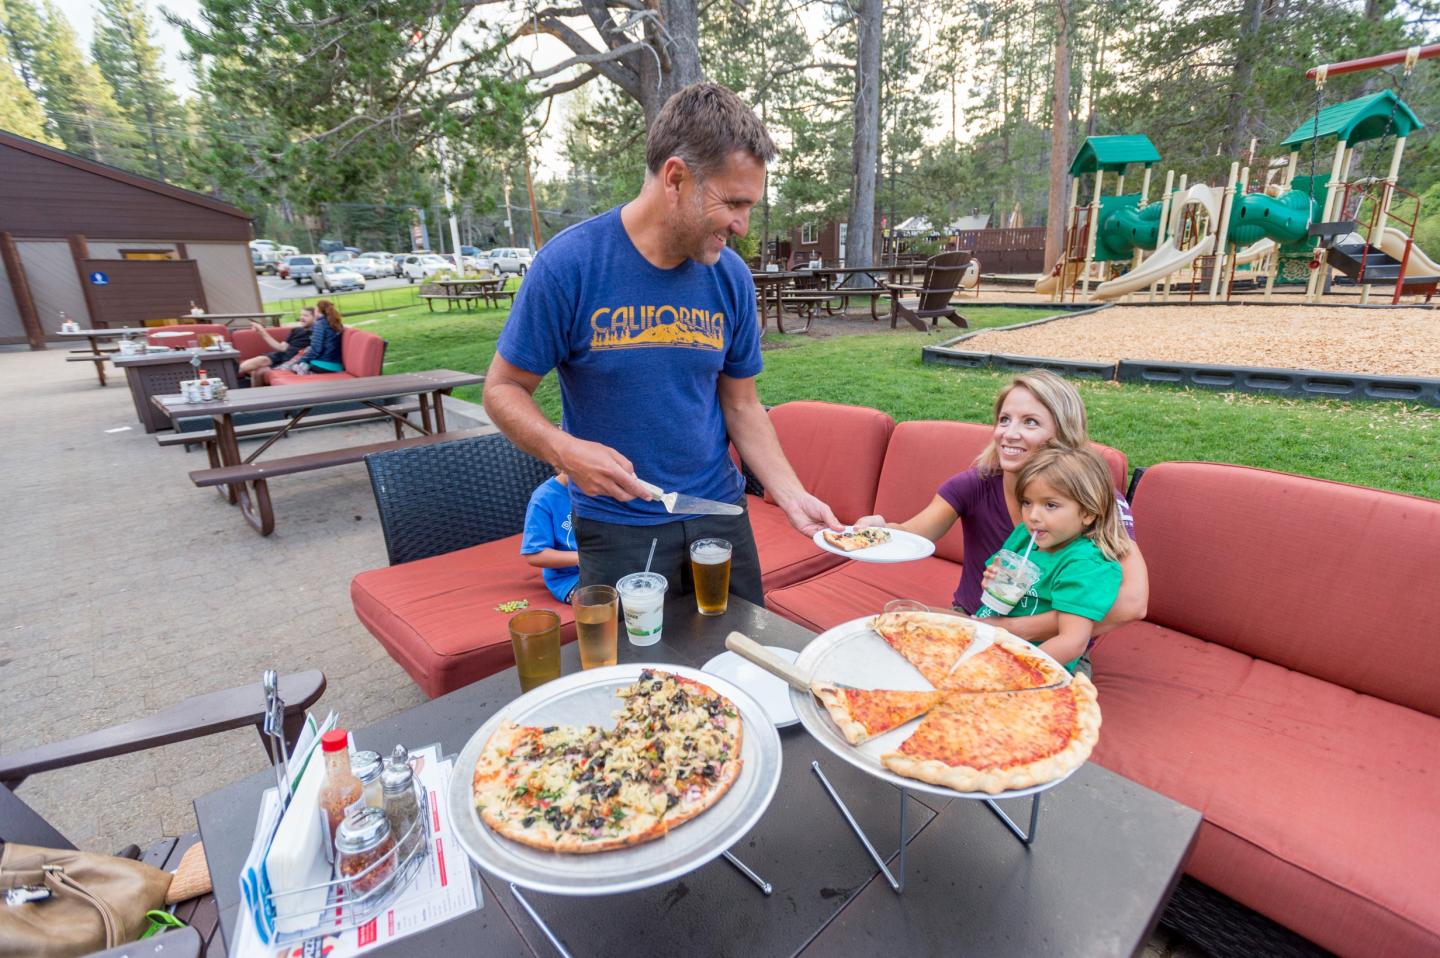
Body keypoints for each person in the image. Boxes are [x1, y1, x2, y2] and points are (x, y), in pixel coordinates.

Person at [483, 83, 839, 606]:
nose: (742, 225)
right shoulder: (570, 266)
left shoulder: (731, 278)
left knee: (741, 666)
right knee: (635, 682)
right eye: (733, 203)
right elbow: (502, 388)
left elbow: (741, 403)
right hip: (616, 526)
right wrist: (564, 450)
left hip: (719, 516)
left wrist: (791, 495)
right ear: (676, 178)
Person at [856, 369, 1148, 641]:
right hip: (972, 620)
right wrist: (879, 530)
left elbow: (1132, 603)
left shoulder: (1093, 497)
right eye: (1004, 419)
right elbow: (911, 535)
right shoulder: (976, 484)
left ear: (1063, 434)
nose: (1008, 433)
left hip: (1052, 646)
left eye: (1030, 422)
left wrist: (1006, 630)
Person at [972, 446, 1130, 674]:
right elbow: (995, 578)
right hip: (985, 639)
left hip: (1034, 667)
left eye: (1050, 505)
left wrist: (1014, 672)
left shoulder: (1086, 565)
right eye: (1027, 502)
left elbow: (1072, 642)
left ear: (1087, 513)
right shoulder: (1024, 536)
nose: (1033, 516)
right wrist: (992, 578)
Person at [521, 472, 580, 603]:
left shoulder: (603, 488)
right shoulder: (544, 498)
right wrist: (583, 558)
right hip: (571, 580)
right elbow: (534, 555)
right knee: (606, 602)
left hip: (607, 568)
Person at [239, 307, 314, 386]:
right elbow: (281, 348)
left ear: (315, 318)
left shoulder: (316, 333)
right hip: (279, 355)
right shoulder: (296, 330)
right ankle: (228, 381)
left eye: (306, 315)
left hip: (290, 361)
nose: (302, 317)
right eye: (301, 315)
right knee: (246, 365)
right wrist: (262, 332)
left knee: (257, 372)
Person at [295, 300, 345, 374]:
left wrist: (300, 361)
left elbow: (316, 349)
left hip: (323, 365)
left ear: (317, 311)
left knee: (295, 367)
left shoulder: (320, 324)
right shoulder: (336, 323)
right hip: (337, 365)